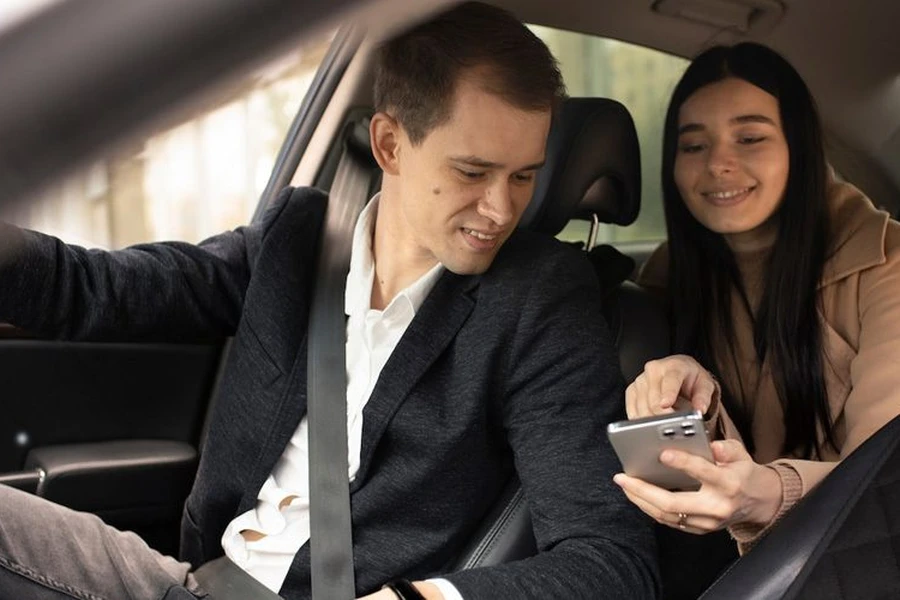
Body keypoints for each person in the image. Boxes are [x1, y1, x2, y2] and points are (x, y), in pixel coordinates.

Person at [0, 3, 658, 600]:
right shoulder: (299, 240)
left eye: (524, 176)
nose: (501, 209)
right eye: (472, 172)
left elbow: (609, 562)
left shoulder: (542, 300)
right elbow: (95, 289)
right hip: (195, 583)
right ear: (390, 145)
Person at [613, 41, 900, 555]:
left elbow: (886, 477)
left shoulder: (888, 265)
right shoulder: (668, 275)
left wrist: (770, 493)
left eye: (749, 138)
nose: (718, 164)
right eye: (693, 146)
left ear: (800, 148)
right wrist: (684, 396)